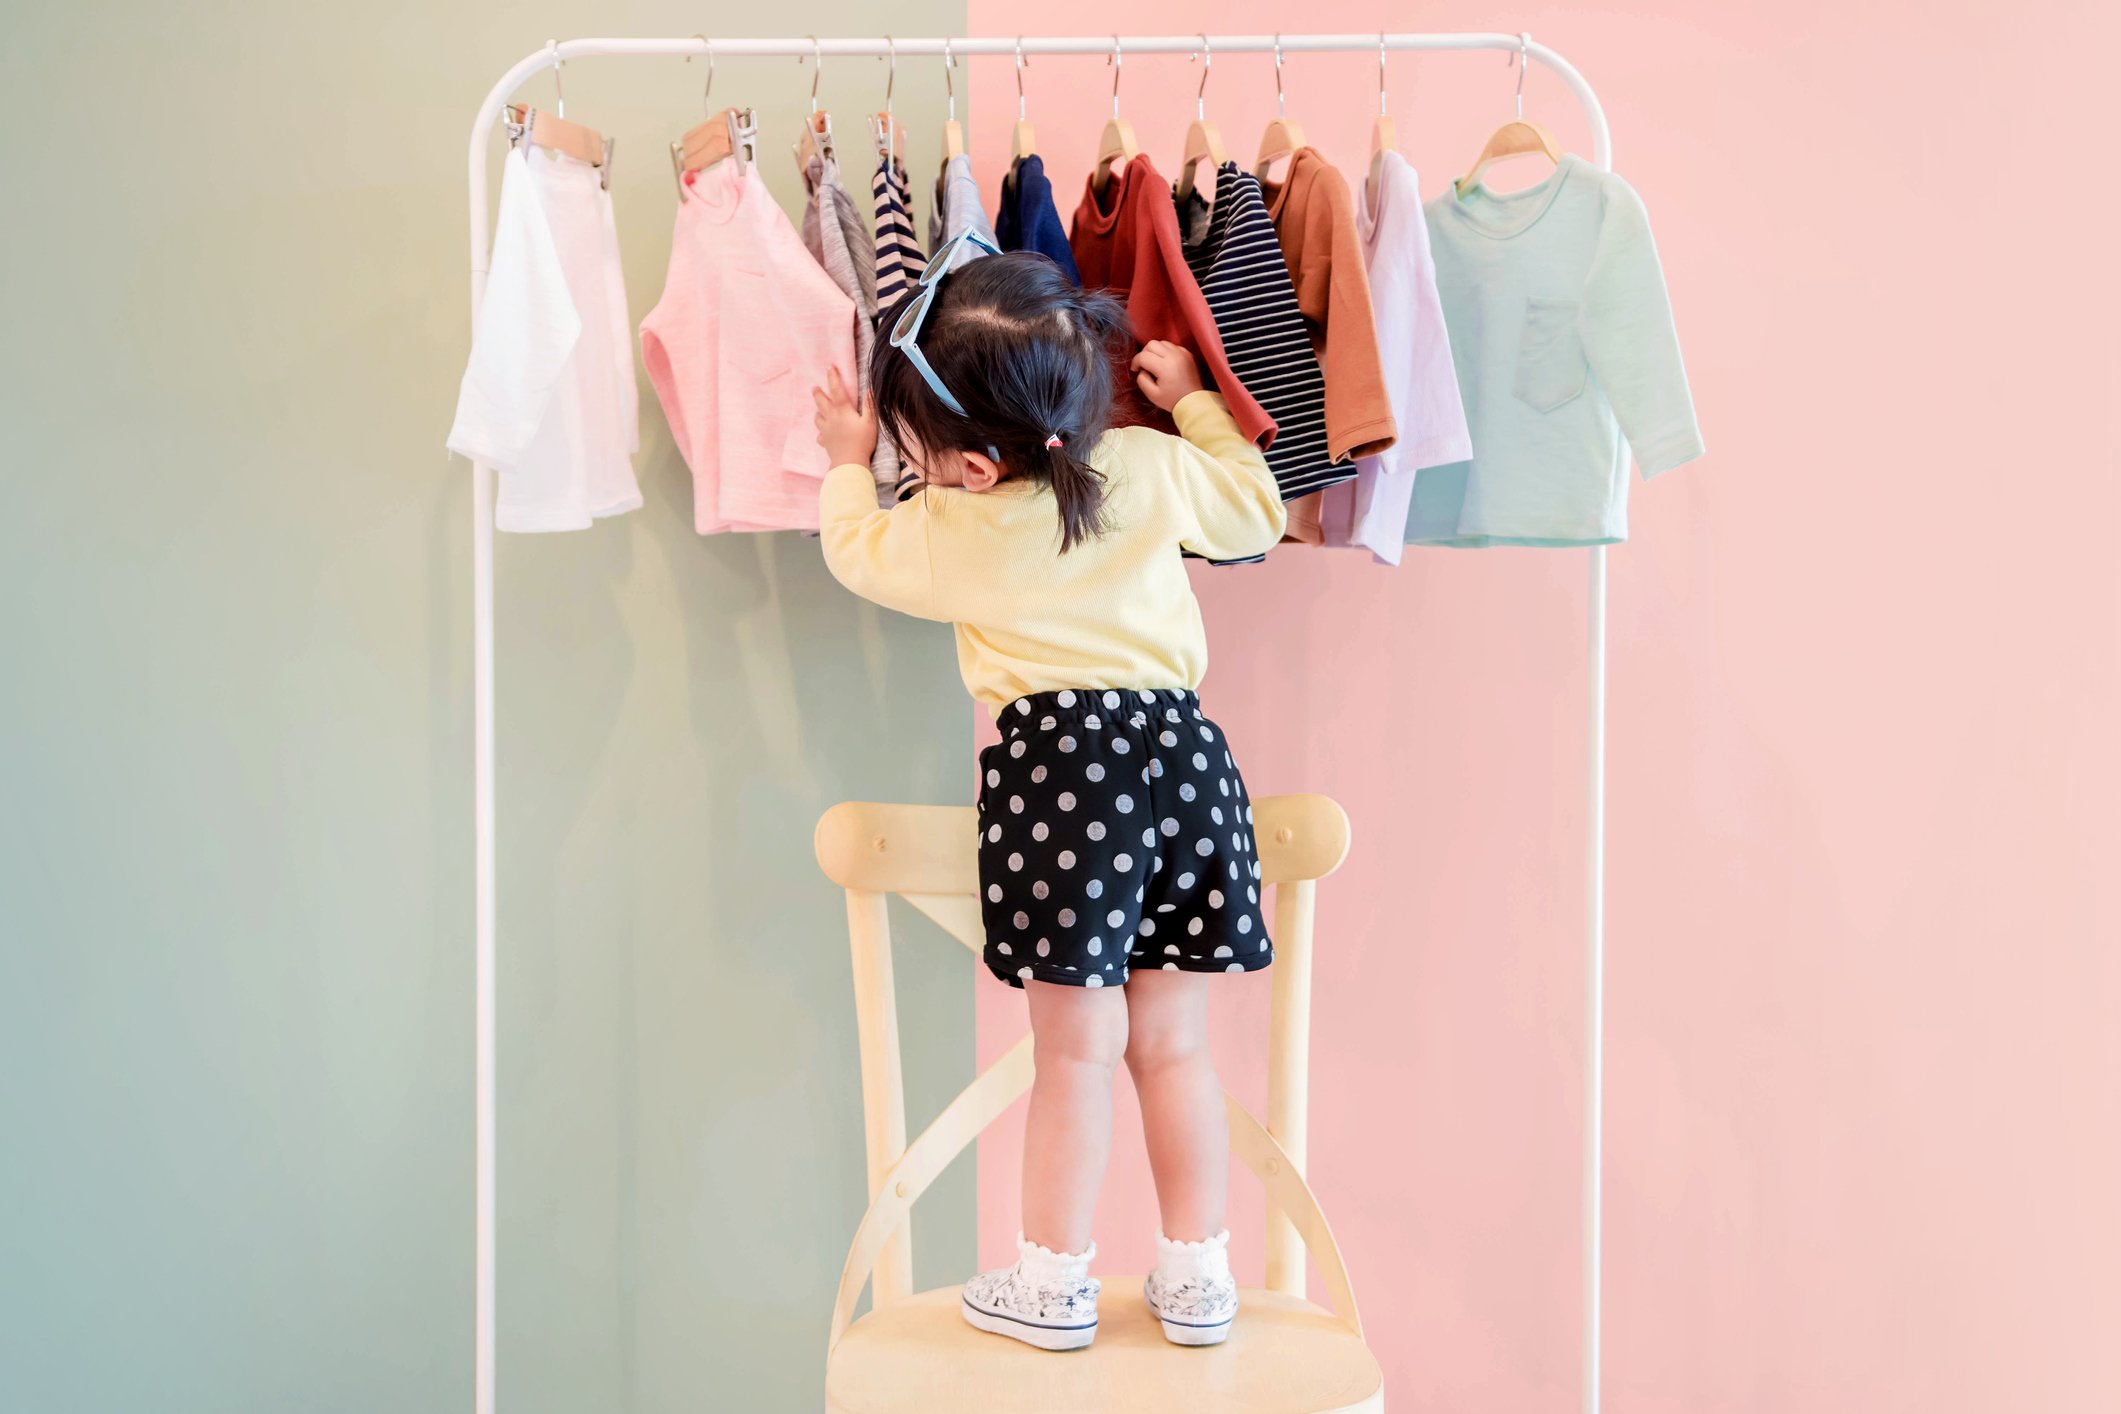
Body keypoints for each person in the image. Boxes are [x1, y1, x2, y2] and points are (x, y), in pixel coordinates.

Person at [811, 238, 1286, 1351]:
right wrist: (1201, 408)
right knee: (1175, 1046)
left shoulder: (954, 528)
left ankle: (1056, 1282)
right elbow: (1259, 511)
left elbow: (853, 551)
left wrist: (846, 458)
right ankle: (1200, 1276)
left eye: (915, 452)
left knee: (1075, 1046)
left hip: (1064, 779)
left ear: (974, 467)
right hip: (1187, 763)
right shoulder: (1150, 468)